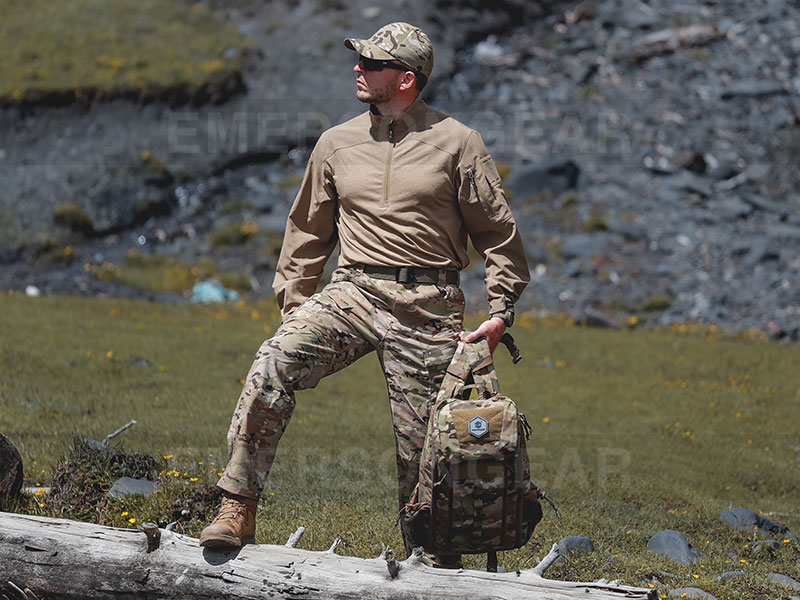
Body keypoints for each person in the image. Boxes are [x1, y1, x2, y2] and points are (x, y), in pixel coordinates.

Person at [199, 22, 529, 565]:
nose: (358, 68)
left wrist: (500, 313)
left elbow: (497, 231)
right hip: (353, 292)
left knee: (426, 451)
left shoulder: (459, 142)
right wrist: (295, 307)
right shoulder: (336, 143)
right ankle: (237, 506)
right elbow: (307, 231)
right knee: (274, 361)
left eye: (371, 63)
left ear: (405, 78)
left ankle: (432, 560)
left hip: (431, 304)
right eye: (360, 60)